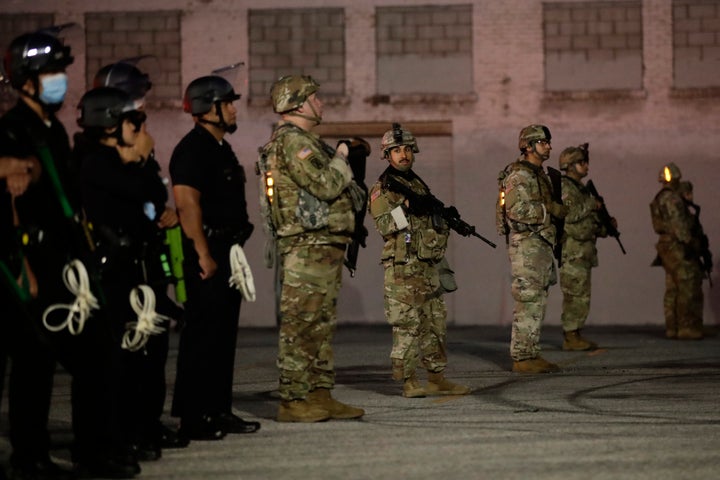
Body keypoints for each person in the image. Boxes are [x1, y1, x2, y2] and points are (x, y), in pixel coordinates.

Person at [1, 30, 140, 480]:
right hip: (33, 262)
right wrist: (21, 267)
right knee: (33, 364)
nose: (59, 80)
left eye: (60, 71)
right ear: (25, 79)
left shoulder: (54, 129)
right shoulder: (12, 129)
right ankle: (30, 457)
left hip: (67, 261)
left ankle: (94, 449)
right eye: (49, 73)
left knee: (97, 356)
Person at [92, 60, 189, 454]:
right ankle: (127, 429)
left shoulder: (138, 146)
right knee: (128, 353)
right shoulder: (98, 155)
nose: (140, 110)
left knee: (153, 351)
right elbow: (125, 197)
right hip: (120, 268)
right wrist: (138, 160)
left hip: (148, 262)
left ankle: (147, 424)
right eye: (134, 100)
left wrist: (160, 206)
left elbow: (150, 192)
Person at [261, 74, 364, 422]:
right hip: (306, 245)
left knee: (320, 324)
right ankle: (293, 399)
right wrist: (343, 154)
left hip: (322, 245)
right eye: (315, 98)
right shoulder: (293, 143)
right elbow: (327, 183)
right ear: (298, 104)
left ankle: (319, 393)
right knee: (301, 325)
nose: (320, 103)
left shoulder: (306, 141)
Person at [169, 75, 260, 439]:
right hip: (206, 252)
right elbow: (187, 204)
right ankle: (194, 417)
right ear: (210, 108)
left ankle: (218, 410)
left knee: (222, 338)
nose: (235, 108)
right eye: (229, 102)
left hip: (227, 250)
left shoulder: (220, 147)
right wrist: (203, 255)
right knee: (201, 338)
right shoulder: (192, 150)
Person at [367, 123, 471, 398]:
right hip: (403, 269)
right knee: (408, 326)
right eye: (396, 150)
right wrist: (406, 207)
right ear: (387, 155)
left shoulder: (416, 183)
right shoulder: (382, 188)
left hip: (427, 266)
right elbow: (385, 225)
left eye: (407, 149)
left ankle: (437, 377)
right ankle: (409, 380)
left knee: (435, 324)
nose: (403, 155)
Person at [496, 124, 567, 374]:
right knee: (528, 301)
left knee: (537, 302)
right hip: (527, 246)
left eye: (548, 142)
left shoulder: (539, 175)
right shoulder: (519, 176)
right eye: (543, 142)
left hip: (540, 246)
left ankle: (530, 352)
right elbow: (514, 212)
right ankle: (522, 356)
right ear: (528, 146)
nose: (548, 146)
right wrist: (550, 211)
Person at [557, 144, 610, 351]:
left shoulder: (580, 189)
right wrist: (591, 204)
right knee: (574, 294)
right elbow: (570, 215)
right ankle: (571, 335)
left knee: (582, 295)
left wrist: (604, 225)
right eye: (581, 162)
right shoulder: (565, 187)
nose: (586, 166)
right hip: (572, 250)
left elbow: (587, 221)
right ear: (569, 166)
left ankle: (576, 333)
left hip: (584, 250)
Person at [650, 163, 707, 340]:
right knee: (687, 285)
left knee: (673, 287)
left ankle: (672, 327)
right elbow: (679, 225)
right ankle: (686, 327)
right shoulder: (672, 198)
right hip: (677, 246)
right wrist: (691, 242)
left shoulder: (660, 197)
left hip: (667, 246)